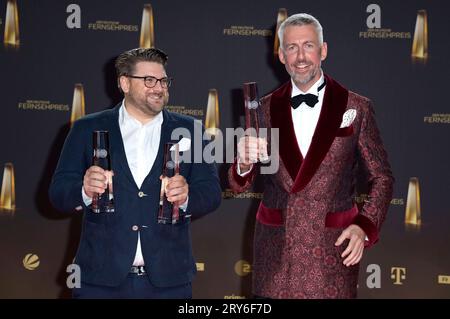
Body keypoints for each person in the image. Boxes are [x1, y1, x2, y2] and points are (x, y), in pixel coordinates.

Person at [228, 13, 394, 298]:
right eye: (292, 47)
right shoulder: (263, 110)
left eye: (308, 45)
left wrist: (363, 227)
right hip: (276, 258)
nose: (300, 56)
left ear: (323, 50)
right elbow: (238, 183)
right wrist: (242, 164)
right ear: (281, 55)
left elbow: (382, 177)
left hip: (331, 257)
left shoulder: (356, 107)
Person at [49, 48, 221, 298]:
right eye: (149, 80)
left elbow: (212, 193)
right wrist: (84, 190)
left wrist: (187, 197)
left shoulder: (191, 129)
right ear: (124, 83)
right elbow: (58, 194)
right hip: (99, 281)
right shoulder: (87, 128)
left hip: (168, 282)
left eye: (163, 80)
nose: (159, 87)